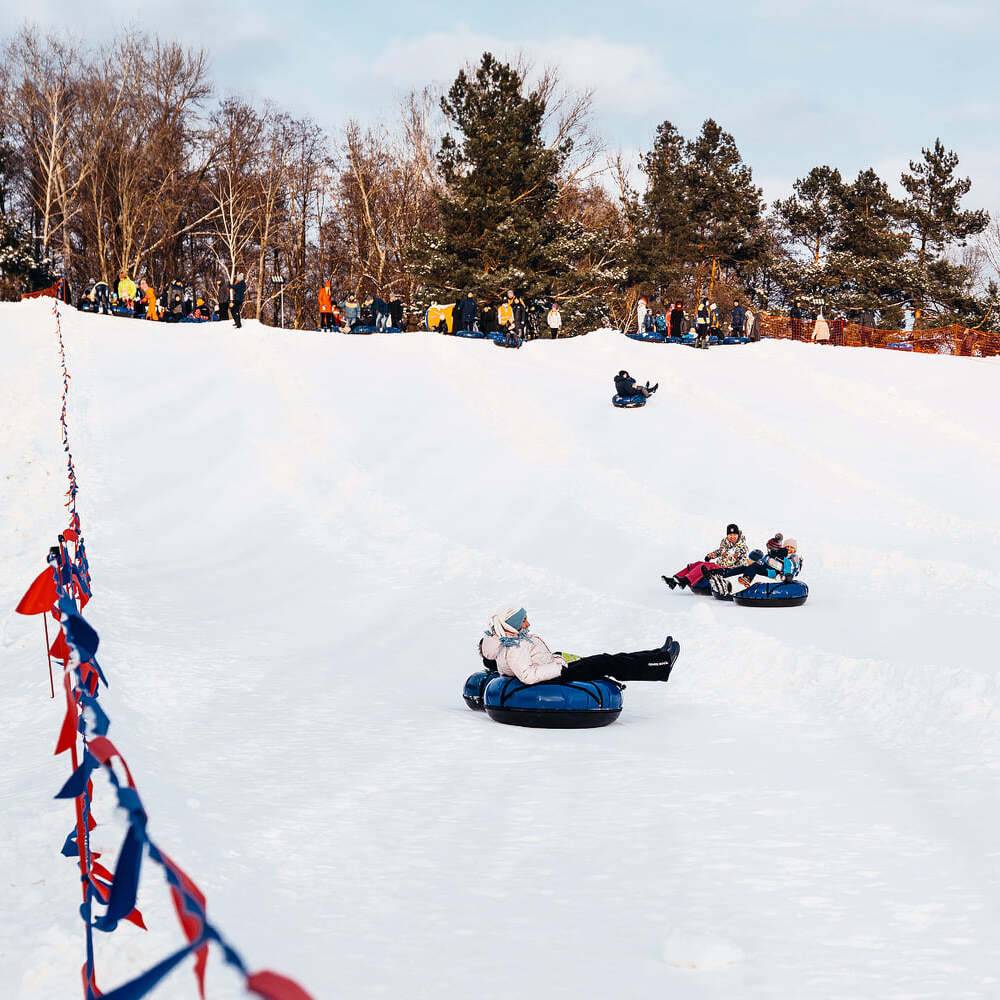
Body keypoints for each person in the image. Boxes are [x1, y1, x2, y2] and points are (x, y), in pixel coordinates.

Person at [479, 607, 680, 686]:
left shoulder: (511, 642)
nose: (528, 624)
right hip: (557, 675)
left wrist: (557, 658)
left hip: (556, 668)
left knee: (608, 660)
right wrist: (559, 667)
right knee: (607, 661)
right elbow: (528, 675)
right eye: (523, 621)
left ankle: (658, 656)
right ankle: (661, 663)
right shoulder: (514, 647)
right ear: (511, 626)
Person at [663, 523, 750, 590]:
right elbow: (720, 551)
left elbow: (739, 562)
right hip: (719, 565)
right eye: (730, 535)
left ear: (738, 535)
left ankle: (685, 581)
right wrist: (710, 556)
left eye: (734, 535)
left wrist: (728, 562)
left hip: (729, 569)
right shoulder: (726, 544)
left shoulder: (742, 548)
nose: (732, 537)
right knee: (698, 563)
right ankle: (675, 579)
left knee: (706, 566)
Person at [708, 536, 802, 595]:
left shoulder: (791, 559)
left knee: (754, 567)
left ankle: (743, 581)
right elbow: (767, 560)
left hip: (775, 574)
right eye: (787, 547)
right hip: (769, 569)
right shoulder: (780, 555)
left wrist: (787, 576)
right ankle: (721, 573)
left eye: (792, 548)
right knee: (745, 567)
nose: (789, 549)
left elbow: (789, 569)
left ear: (795, 550)